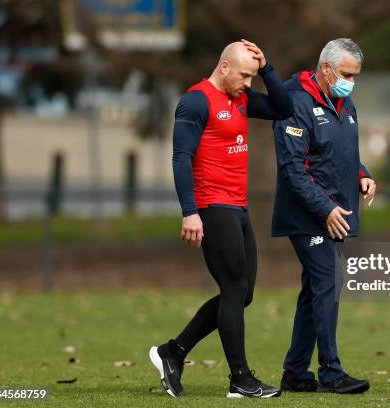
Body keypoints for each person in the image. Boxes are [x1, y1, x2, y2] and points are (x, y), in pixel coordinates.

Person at [149, 39, 293, 399]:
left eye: (253, 76)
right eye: (245, 75)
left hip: (238, 206)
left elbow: (283, 108)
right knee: (232, 289)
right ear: (224, 67)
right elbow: (181, 158)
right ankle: (241, 380)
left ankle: (174, 351)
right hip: (212, 207)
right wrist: (190, 213)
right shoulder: (196, 101)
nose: (249, 82)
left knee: (242, 294)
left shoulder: (241, 99)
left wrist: (268, 67)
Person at [272, 38, 376, 394]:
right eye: (346, 73)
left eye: (356, 75)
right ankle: (331, 370)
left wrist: (363, 176)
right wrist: (325, 207)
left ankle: (296, 372)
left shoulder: (345, 104)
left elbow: (344, 153)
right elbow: (293, 168)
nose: (351, 81)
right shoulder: (294, 103)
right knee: (327, 283)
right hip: (307, 215)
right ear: (326, 68)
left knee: (313, 291)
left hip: (336, 212)